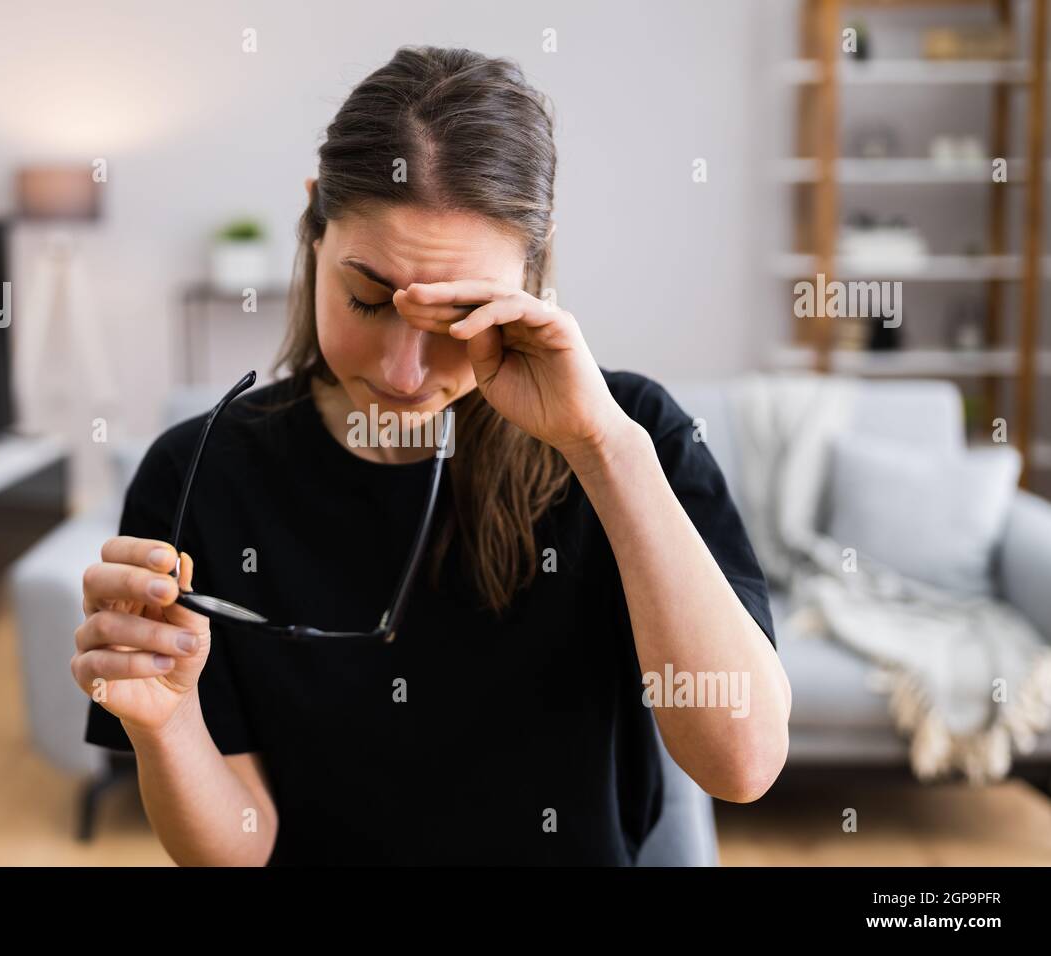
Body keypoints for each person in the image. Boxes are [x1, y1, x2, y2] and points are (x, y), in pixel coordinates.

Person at [74, 45, 790, 866]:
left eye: (457, 317)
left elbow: (742, 764)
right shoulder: (199, 473)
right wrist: (167, 724)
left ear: (535, 266)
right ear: (314, 225)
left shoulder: (635, 436)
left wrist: (602, 451)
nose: (400, 374)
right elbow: (240, 848)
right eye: (367, 300)